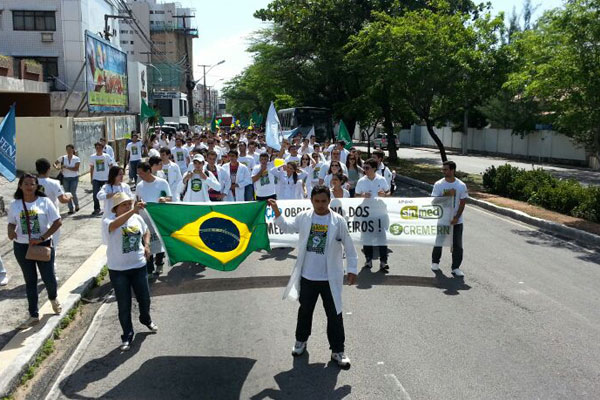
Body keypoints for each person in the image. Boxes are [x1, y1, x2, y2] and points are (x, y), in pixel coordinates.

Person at [268, 185, 357, 368]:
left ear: (329, 201)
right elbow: (286, 227)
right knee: (305, 311)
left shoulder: (338, 221)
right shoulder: (304, 217)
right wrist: (277, 211)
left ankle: (338, 351)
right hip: (308, 276)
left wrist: (352, 269)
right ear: (311, 201)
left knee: (334, 315)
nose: (320, 205)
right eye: (317, 201)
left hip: (329, 278)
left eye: (324, 201)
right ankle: (301, 340)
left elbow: (349, 245)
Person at [103, 192, 157, 351]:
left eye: (129, 203)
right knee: (124, 304)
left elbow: (146, 231)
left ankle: (146, 319)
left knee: (145, 298)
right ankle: (127, 335)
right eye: (124, 205)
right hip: (118, 270)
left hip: (138, 266)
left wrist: (146, 245)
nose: (127, 206)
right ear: (116, 208)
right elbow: (113, 227)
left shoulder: (137, 218)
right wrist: (132, 211)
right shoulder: (108, 220)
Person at [8, 174, 62, 329]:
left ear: (37, 186)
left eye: (32, 184)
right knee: (30, 281)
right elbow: (11, 223)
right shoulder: (15, 204)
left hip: (42, 245)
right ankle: (33, 314)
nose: (29, 187)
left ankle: (53, 298)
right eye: (26, 184)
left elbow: (58, 222)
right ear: (20, 186)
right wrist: (10, 232)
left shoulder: (44, 202)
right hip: (22, 247)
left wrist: (43, 236)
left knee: (49, 278)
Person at [431, 161, 468, 277]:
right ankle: (435, 262)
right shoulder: (439, 184)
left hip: (457, 221)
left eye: (446, 169)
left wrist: (457, 217)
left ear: (452, 170)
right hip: (443, 219)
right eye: (443, 169)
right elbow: (434, 201)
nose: (444, 171)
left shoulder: (460, 185)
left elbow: (462, 203)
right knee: (439, 241)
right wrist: (446, 197)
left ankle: (455, 267)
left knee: (457, 244)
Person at [355, 158, 391, 273]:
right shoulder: (361, 181)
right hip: (367, 214)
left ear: (374, 168)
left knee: (382, 238)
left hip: (380, 213)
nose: (364, 170)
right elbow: (355, 195)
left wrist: (385, 194)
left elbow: (389, 192)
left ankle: (383, 261)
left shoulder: (382, 179)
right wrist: (362, 196)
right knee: (367, 238)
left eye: (367, 168)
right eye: (364, 168)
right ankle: (368, 260)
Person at [136, 162, 171, 276]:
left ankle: (159, 263)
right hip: (144, 218)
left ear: (148, 171)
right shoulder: (139, 186)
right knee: (146, 242)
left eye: (141, 173)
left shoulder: (162, 182)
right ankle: (149, 268)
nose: (139, 175)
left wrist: (164, 199)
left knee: (159, 241)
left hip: (158, 218)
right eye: (138, 173)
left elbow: (170, 198)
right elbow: (136, 200)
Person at [90, 142, 116, 215]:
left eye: (100, 148)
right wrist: (91, 178)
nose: (98, 149)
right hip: (96, 178)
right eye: (97, 148)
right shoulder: (92, 157)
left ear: (102, 148)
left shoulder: (106, 156)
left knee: (108, 194)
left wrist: (112, 177)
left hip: (105, 178)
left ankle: (109, 208)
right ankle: (97, 208)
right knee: (95, 194)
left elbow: (111, 166)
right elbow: (92, 168)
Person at [54, 144, 80, 214]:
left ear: (73, 150)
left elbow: (76, 168)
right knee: (67, 193)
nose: (68, 151)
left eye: (70, 149)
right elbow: (55, 163)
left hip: (74, 178)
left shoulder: (76, 158)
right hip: (65, 178)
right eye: (67, 149)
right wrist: (57, 167)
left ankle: (76, 205)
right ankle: (70, 208)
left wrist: (66, 167)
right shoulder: (63, 158)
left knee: (73, 192)